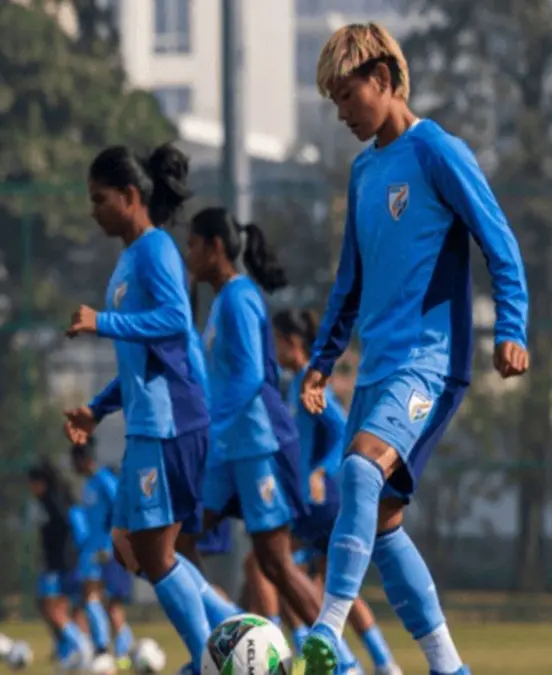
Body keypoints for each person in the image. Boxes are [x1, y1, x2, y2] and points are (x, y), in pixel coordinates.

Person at [302, 23, 528, 675]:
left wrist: (512, 327)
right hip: (377, 365)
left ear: (383, 79)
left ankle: (328, 629)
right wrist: (322, 359)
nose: (342, 113)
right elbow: (350, 278)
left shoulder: (437, 151)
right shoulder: (365, 169)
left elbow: (500, 240)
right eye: (335, 102)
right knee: (381, 519)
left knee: (358, 473)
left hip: (431, 359)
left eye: (347, 96)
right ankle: (448, 666)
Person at [185, 206, 364, 671]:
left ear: (215, 248)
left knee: (275, 562)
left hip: (255, 445)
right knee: (178, 537)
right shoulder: (221, 301)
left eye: (192, 245)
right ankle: (219, 646)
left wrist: (209, 426)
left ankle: (344, 664)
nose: (187, 255)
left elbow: (248, 379)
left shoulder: (240, 298)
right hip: (227, 449)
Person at [61, 144, 215, 674]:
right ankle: (236, 638)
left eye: (99, 199)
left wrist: (101, 321)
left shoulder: (155, 251)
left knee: (153, 550)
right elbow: (138, 359)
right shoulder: (129, 261)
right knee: (128, 544)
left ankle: (212, 660)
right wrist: (98, 409)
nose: (93, 209)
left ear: (129, 197)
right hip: (149, 421)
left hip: (173, 417)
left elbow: (175, 321)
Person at [272, 309, 402, 675]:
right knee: (334, 587)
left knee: (271, 564)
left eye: (276, 340)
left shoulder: (310, 385)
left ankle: (326, 661)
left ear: (291, 343)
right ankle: (382, 662)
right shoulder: (296, 384)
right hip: (315, 500)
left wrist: (320, 470)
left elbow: (343, 430)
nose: (274, 348)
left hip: (322, 500)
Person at [27, 460, 91, 668]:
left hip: (61, 563)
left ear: (41, 482)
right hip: (63, 562)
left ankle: (81, 646)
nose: (31, 488)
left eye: (33, 483)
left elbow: (70, 527)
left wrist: (67, 554)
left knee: (50, 607)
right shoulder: (55, 498)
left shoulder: (54, 500)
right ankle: (70, 651)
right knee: (66, 608)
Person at [67, 443, 127, 663]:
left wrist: (110, 545)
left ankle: (107, 648)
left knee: (97, 598)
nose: (73, 466)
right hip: (90, 549)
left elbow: (119, 508)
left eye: (74, 461)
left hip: (104, 549)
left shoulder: (103, 479)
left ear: (83, 459)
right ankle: (113, 649)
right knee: (91, 598)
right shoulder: (88, 485)